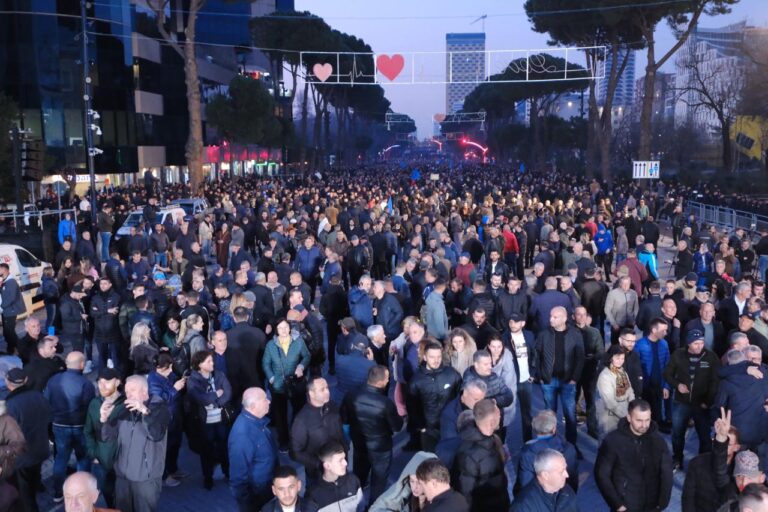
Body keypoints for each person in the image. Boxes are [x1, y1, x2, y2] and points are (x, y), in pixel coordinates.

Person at [102, 375, 170, 512]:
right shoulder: (123, 410)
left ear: (144, 391)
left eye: (132, 390)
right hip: (122, 477)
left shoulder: (159, 408)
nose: (128, 394)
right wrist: (105, 419)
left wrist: (144, 411)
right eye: (126, 391)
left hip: (145, 479)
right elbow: (108, 437)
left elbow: (156, 434)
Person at [594, 399, 673, 512]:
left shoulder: (658, 441)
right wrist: (617, 505)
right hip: (626, 506)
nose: (644, 425)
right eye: (639, 420)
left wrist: (663, 503)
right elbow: (601, 474)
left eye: (647, 420)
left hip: (652, 506)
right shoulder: (613, 441)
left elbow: (667, 474)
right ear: (629, 418)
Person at [342, 365, 403, 502]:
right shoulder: (385, 403)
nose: (389, 380)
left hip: (359, 442)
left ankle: (356, 494)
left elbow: (344, 418)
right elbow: (397, 426)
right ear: (380, 382)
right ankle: (373, 504)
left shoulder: (351, 395)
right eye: (387, 378)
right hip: (380, 446)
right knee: (379, 478)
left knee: (360, 469)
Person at [663, 329, 720, 470]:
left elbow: (715, 382)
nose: (699, 346)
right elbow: (667, 374)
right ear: (688, 343)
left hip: (701, 404)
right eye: (695, 343)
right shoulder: (678, 355)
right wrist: (677, 385)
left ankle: (702, 464)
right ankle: (677, 459)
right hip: (681, 402)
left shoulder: (711, 357)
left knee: (704, 436)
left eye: (701, 342)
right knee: (677, 434)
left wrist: (708, 402)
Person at [44, 351, 96, 501]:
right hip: (80, 426)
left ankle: (58, 492)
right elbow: (90, 407)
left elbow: (47, 401)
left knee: (61, 458)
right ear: (81, 364)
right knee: (83, 459)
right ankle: (83, 492)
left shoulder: (54, 380)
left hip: (59, 425)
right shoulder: (85, 384)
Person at [534, 306, 585, 446]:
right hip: (549, 381)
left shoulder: (575, 334)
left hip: (568, 381)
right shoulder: (544, 334)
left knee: (570, 415)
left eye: (555, 317)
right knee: (550, 416)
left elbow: (580, 358)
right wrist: (540, 375)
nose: (551, 319)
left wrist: (574, 378)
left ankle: (571, 446)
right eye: (551, 316)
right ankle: (552, 445)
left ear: (564, 319)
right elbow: (537, 355)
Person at [5, 368, 51, 512]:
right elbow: (49, 417)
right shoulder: (38, 395)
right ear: (25, 380)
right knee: (35, 473)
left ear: (8, 383)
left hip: (22, 457)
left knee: (25, 496)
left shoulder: (10, 405)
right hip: (41, 448)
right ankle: (38, 485)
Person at [451, 399, 509, 511]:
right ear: (492, 422)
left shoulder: (492, 440)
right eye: (499, 415)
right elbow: (466, 492)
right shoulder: (470, 454)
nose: (501, 418)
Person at [186, 349, 232, 489]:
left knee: (224, 446)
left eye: (212, 360)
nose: (213, 363)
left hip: (220, 418)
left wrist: (215, 402)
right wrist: (216, 394)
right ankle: (208, 477)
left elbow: (228, 392)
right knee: (206, 450)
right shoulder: (193, 380)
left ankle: (227, 472)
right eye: (209, 361)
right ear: (200, 364)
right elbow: (200, 398)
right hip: (205, 422)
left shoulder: (219, 375)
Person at [263, 319, 310, 450]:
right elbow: (265, 363)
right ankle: (283, 440)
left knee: (298, 411)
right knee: (280, 415)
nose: (283, 331)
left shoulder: (299, 342)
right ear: (276, 330)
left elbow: (306, 356)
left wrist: (301, 366)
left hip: (295, 383)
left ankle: (297, 437)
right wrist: (271, 378)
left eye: (285, 327)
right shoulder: (271, 345)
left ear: (289, 328)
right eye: (280, 328)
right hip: (278, 385)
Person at [682, 407, 741, 512]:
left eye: (729, 443)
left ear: (737, 447)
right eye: (723, 441)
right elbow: (688, 499)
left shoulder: (740, 472)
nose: (724, 445)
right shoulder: (696, 464)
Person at [228, 387, 278, 511]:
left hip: (267, 487)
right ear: (253, 406)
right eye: (264, 399)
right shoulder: (242, 436)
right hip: (258, 494)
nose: (269, 401)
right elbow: (238, 478)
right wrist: (248, 506)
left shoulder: (256, 421)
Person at [289, 376, 346, 483]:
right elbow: (295, 453)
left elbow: (339, 430)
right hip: (317, 473)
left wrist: (344, 450)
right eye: (322, 389)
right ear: (311, 393)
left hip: (338, 464)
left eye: (327, 388)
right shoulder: (301, 420)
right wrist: (319, 464)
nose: (327, 391)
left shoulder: (332, 406)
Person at [410, 341, 462, 452]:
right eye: (432, 357)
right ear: (425, 357)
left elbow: (460, 395)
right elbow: (412, 406)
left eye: (438, 356)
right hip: (429, 428)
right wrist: (421, 427)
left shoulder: (451, 373)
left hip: (449, 424)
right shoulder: (416, 380)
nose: (436, 360)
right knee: (431, 459)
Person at [84, 368, 125, 507]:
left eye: (107, 382)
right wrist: (93, 454)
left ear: (118, 382)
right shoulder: (94, 404)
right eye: (99, 382)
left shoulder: (127, 404)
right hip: (101, 462)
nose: (102, 386)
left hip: (123, 463)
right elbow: (87, 431)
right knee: (108, 495)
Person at [147, 353, 187, 488]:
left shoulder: (168, 374)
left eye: (171, 367)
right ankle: (164, 475)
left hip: (175, 416)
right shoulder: (153, 381)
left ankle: (173, 469)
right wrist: (175, 388)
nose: (170, 371)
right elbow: (161, 399)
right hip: (165, 419)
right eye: (167, 368)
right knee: (165, 449)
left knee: (175, 445)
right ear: (158, 367)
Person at [518, 409, 579, 493]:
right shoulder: (569, 448)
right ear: (554, 429)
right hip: (565, 495)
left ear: (534, 428)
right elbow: (572, 478)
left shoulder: (527, 452)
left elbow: (525, 483)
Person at [503, 312, 537, 441]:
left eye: (516, 322)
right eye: (511, 321)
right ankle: (502, 443)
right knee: (506, 412)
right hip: (511, 381)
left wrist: (533, 374)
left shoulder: (529, 335)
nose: (512, 324)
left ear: (523, 323)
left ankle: (527, 441)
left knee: (526, 414)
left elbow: (534, 354)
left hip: (526, 380)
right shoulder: (504, 337)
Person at [512, 449, 579, 512]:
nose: (567, 475)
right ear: (545, 475)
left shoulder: (568, 491)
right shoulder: (523, 506)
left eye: (565, 469)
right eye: (561, 471)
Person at [634, 317, 671, 430]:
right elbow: (636, 367)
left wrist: (666, 386)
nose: (665, 333)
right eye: (663, 330)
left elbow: (667, 366)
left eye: (666, 330)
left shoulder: (664, 344)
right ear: (654, 330)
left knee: (658, 407)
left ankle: (657, 425)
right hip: (645, 384)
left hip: (659, 383)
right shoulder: (640, 345)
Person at [369, 452, 437, 512]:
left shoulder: (440, 501)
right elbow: (376, 507)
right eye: (412, 481)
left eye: (419, 482)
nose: (415, 487)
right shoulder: (403, 488)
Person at [305, 441, 362, 512]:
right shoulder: (313, 495)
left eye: (344, 458)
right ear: (327, 466)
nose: (345, 463)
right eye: (340, 460)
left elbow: (361, 507)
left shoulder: (353, 481)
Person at [595, 345, 635, 439]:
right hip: (610, 416)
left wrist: (633, 407)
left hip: (624, 411)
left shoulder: (622, 371)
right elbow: (610, 403)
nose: (620, 361)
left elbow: (630, 390)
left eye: (622, 358)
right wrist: (626, 415)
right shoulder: (605, 376)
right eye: (617, 358)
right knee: (608, 443)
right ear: (610, 358)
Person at [91, 277, 121, 371]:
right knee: (101, 356)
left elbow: (116, 312)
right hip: (99, 331)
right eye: (101, 284)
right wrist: (107, 311)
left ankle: (117, 376)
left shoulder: (116, 297)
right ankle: (101, 375)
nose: (102, 286)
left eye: (105, 283)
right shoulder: (95, 297)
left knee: (115, 355)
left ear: (110, 284)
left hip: (113, 331)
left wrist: (99, 311)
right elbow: (92, 313)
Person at [0, 263, 26, 356]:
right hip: (6, 310)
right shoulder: (5, 281)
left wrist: (2, 306)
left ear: (4, 270)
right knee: (7, 332)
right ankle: (11, 348)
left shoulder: (11, 282)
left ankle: (19, 348)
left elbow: (11, 298)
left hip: (11, 310)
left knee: (9, 332)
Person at [604, 276, 639, 345]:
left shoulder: (633, 293)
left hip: (630, 324)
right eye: (624, 284)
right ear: (620, 284)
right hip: (617, 325)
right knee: (616, 345)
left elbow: (636, 308)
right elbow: (607, 309)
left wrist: (635, 320)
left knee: (629, 344)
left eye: (627, 284)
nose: (626, 286)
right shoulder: (612, 294)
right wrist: (613, 323)